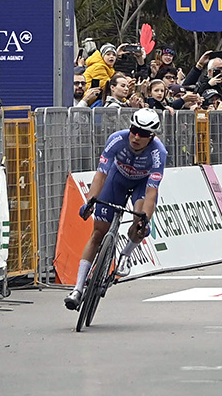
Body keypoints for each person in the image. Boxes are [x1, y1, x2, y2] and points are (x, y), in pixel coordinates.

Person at [65, 108, 166, 311]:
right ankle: (77, 289)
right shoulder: (116, 139)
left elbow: (151, 192)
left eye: (143, 134)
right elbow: (101, 174)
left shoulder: (158, 153)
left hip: (141, 185)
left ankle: (126, 254)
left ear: (152, 136)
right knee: (98, 233)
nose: (136, 137)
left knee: (139, 225)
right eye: (134, 130)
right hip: (116, 179)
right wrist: (90, 201)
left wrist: (144, 219)